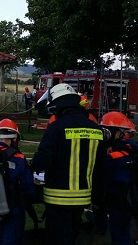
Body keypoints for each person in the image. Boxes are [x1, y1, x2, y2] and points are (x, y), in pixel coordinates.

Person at [31, 83, 106, 245]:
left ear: (59, 105)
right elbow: (101, 166)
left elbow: (42, 162)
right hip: (83, 200)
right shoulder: (96, 129)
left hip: (57, 199)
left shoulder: (56, 128)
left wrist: (32, 164)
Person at [96, 111, 138, 245]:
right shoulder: (129, 149)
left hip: (118, 201)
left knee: (119, 234)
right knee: (122, 232)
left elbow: (100, 171)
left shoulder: (115, 157)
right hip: (128, 199)